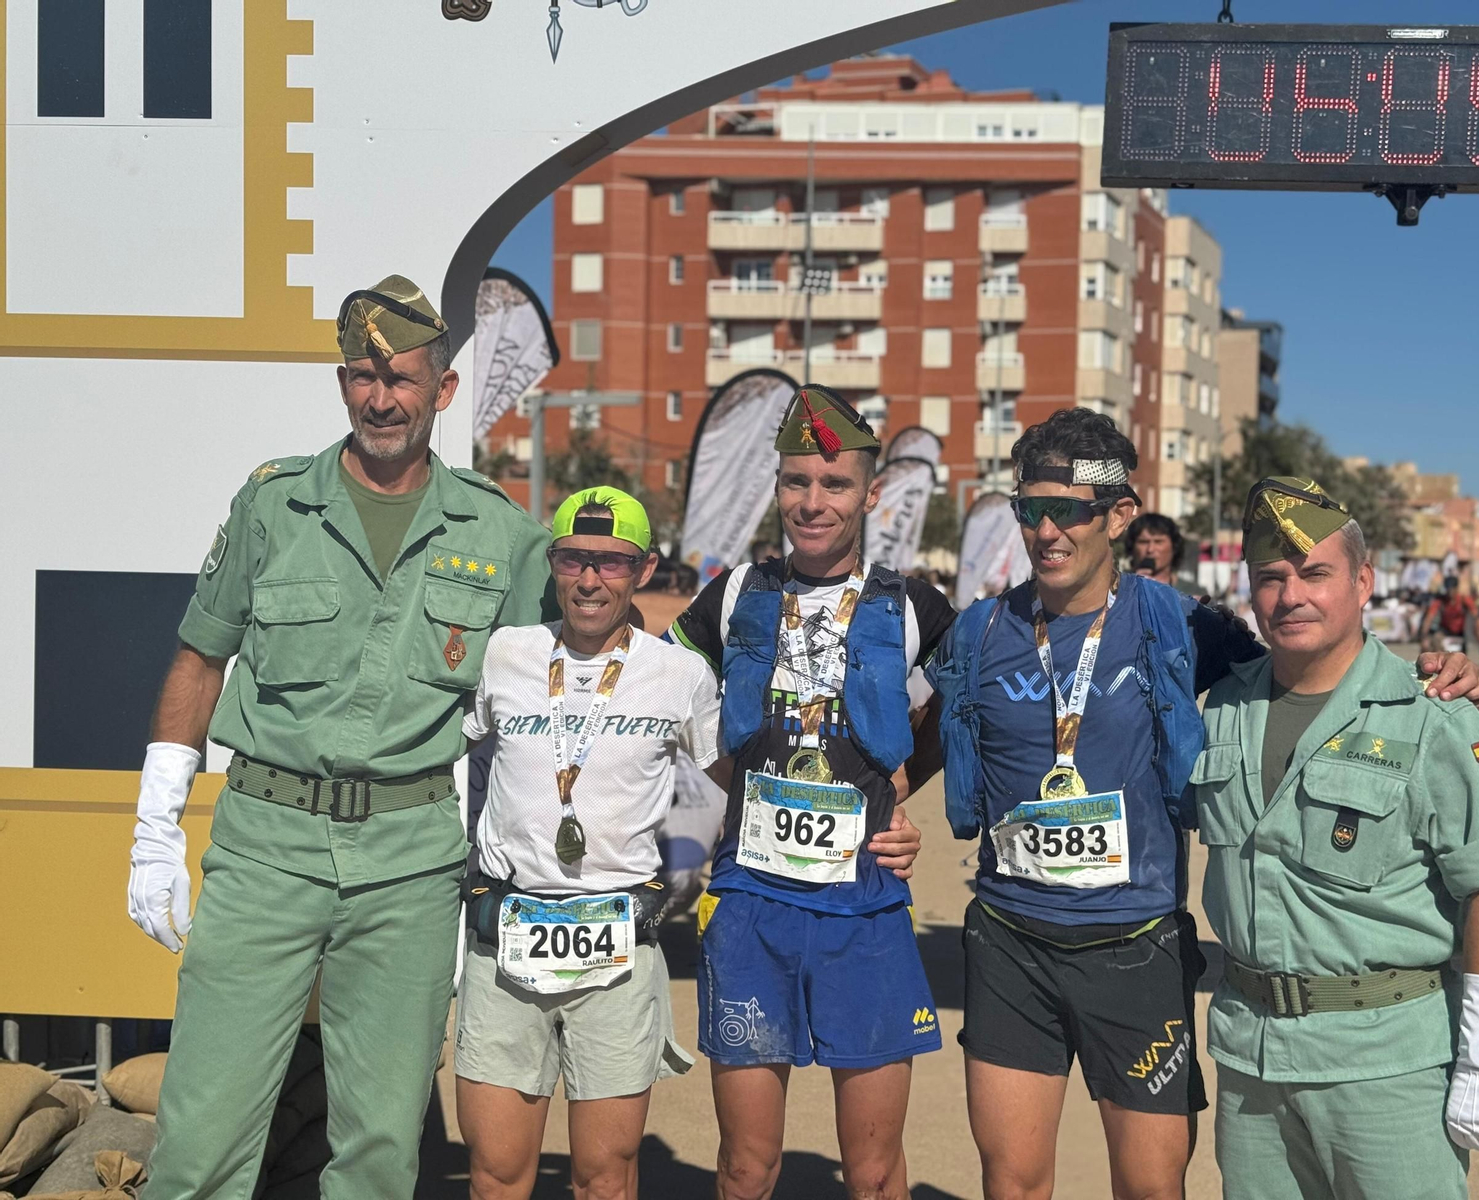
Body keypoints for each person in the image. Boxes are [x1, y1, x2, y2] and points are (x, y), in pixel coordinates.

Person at [926, 413, 1479, 1200]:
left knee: (1153, 1190)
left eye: (1071, 512)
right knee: (1011, 1184)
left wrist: (1433, 674)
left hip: (1137, 949)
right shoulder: (984, 630)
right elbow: (922, 737)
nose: (1047, 531)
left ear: (1120, 515)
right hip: (1010, 942)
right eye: (1030, 511)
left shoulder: (1182, 625)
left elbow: (1307, 667)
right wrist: (884, 802)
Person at [127, 277, 553, 1198]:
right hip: (264, 847)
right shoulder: (273, 506)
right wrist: (156, 825)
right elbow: (201, 662)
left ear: (441, 390)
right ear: (341, 381)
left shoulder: (503, 534)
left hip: (409, 864)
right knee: (199, 1146)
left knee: (378, 1158)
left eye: (401, 378)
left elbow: (536, 712)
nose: (381, 398)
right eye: (363, 376)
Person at [1197, 476, 1479, 1200]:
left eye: (1315, 573)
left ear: (1363, 582)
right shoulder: (1222, 707)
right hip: (1250, 1063)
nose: (1291, 595)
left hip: (1386, 1069)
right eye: (1270, 578)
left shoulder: (1434, 715)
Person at [667, 385, 947, 1200]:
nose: (812, 502)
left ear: (871, 493)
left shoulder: (916, 608)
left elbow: (965, 714)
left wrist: (903, 799)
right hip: (751, 904)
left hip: (864, 910)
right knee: (746, 1168)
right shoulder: (730, 596)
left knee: (873, 1171)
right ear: (777, 486)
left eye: (832, 484)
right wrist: (730, 783)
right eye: (796, 482)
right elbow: (661, 686)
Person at [455, 487, 717, 1200]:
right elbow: (441, 753)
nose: (591, 579)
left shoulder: (680, 674)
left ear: (643, 569)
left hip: (616, 948)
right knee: (497, 1175)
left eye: (611, 561)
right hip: (506, 941)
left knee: (605, 1178)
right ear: (553, 563)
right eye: (574, 559)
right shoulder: (506, 654)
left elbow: (716, 784)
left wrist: (676, 885)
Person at [1124, 510, 1185, 587]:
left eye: (1158, 542)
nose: (1150, 549)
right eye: (1143, 542)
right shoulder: (1119, 587)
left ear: (1174, 546)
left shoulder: (1193, 592)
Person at [1421, 574, 1479, 652]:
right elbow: (1429, 618)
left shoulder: (1464, 600)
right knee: (1435, 640)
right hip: (1445, 631)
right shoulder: (1440, 601)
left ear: (1456, 588)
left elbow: (1476, 614)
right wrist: (1424, 637)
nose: (1450, 592)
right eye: (1448, 589)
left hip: (1461, 633)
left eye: (1452, 589)